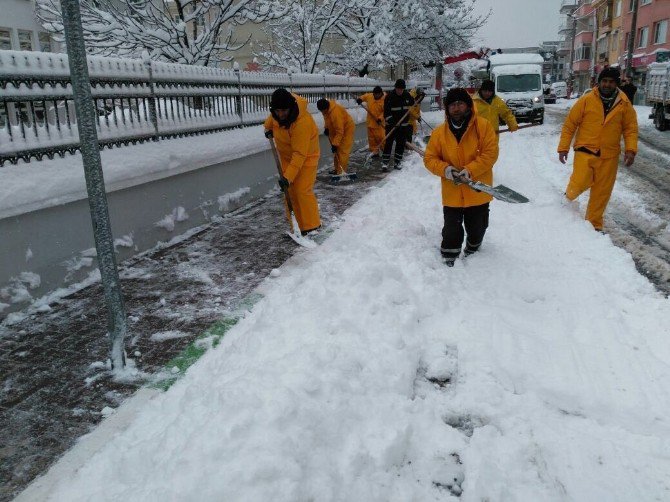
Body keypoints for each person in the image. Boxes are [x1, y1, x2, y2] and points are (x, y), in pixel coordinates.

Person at [423, 88, 499, 267]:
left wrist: (470, 170)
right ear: (447, 109)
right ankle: (449, 259)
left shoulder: (483, 127)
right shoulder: (439, 133)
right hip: (452, 193)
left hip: (477, 189)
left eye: (460, 103)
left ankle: (473, 250)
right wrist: (446, 170)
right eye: (452, 105)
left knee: (477, 228)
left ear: (468, 105)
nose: (456, 108)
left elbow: (491, 153)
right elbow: (430, 158)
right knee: (451, 230)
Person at [557, 67, 638, 232]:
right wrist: (563, 147)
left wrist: (631, 149)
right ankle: (565, 204)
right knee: (579, 182)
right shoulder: (586, 100)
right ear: (599, 82)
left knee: (602, 192)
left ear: (616, 84)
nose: (607, 84)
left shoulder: (624, 103)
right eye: (604, 81)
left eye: (611, 82)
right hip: (585, 150)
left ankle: (594, 226)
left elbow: (630, 128)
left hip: (609, 155)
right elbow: (570, 125)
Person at [264, 88, 321, 235]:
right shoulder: (277, 114)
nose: (281, 114)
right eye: (277, 111)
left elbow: (299, 154)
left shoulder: (302, 122)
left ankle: (312, 226)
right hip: (286, 158)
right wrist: (268, 128)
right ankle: (296, 226)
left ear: (290, 107)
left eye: (284, 110)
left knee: (302, 190)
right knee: (289, 192)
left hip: (306, 157)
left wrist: (287, 177)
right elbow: (271, 120)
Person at [382, 79, 415, 171]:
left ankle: (397, 162)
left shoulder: (406, 95)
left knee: (400, 144)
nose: (400, 91)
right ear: (395, 88)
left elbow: (413, 102)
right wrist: (392, 121)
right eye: (398, 89)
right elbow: (386, 112)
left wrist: (419, 98)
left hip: (403, 125)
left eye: (401, 89)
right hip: (392, 125)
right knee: (388, 143)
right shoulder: (389, 97)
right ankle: (385, 162)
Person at [316, 98, 356, 176]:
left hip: (346, 129)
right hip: (337, 130)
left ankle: (341, 172)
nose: (322, 112)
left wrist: (335, 144)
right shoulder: (326, 111)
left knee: (342, 151)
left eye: (322, 110)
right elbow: (327, 119)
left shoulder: (335, 113)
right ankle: (337, 169)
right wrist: (326, 128)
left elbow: (340, 131)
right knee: (336, 151)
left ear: (326, 108)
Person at [356, 86, 385, 156]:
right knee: (372, 139)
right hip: (370, 122)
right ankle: (375, 152)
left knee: (382, 138)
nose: (376, 95)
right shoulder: (370, 96)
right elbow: (364, 96)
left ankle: (385, 151)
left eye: (378, 94)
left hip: (379, 124)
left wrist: (380, 118)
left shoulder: (384, 100)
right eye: (375, 94)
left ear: (381, 93)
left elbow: (385, 112)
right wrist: (360, 99)